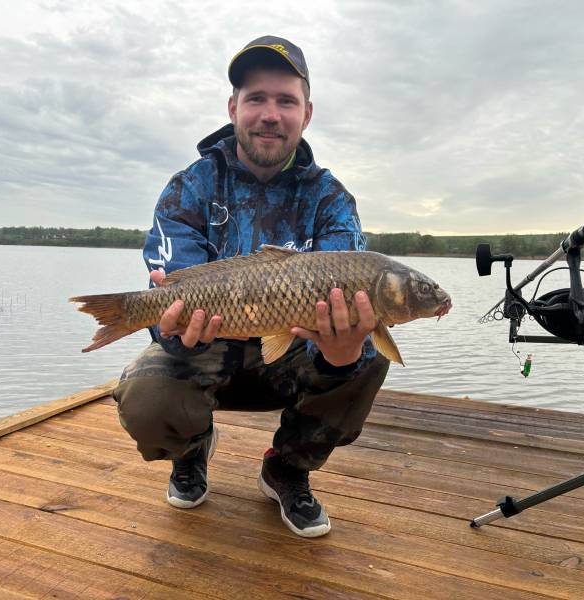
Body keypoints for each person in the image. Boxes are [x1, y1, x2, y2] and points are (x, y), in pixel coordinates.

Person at [113, 35, 390, 538]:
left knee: (367, 358)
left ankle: (287, 467)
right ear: (233, 107)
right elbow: (173, 293)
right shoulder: (190, 187)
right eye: (256, 98)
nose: (270, 113)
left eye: (286, 100)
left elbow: (347, 305)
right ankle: (191, 449)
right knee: (145, 393)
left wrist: (343, 351)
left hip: (290, 358)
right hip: (207, 351)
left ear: (306, 114)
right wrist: (169, 328)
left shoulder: (330, 199)